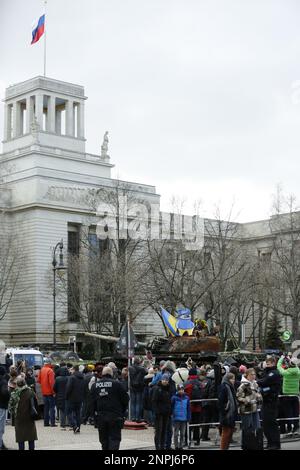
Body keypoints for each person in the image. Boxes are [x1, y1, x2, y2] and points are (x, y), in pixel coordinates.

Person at [91, 366, 129, 450]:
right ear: (111, 374)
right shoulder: (117, 384)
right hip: (115, 416)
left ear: (102, 374)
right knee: (114, 439)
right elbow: (126, 399)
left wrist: (93, 415)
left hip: (101, 416)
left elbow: (91, 402)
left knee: (104, 440)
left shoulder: (95, 386)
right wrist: (122, 411)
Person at [257, 356, 282, 450]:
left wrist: (259, 384)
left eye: (269, 364)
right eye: (266, 363)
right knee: (266, 424)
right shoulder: (267, 372)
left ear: (274, 363)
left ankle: (275, 443)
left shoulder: (274, 373)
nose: (267, 365)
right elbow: (263, 380)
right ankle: (270, 442)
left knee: (271, 423)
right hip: (266, 401)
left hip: (272, 401)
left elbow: (264, 381)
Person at [8, 375, 38, 450]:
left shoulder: (14, 394)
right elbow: (35, 402)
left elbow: (10, 408)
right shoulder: (30, 391)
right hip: (29, 418)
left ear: (17, 384)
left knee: (20, 438)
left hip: (19, 418)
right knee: (31, 437)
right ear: (25, 383)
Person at [236, 368, 262, 450]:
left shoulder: (255, 384)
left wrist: (259, 398)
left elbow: (258, 394)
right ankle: (246, 445)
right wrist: (248, 400)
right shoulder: (243, 385)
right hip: (246, 409)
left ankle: (255, 444)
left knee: (257, 427)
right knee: (247, 428)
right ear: (247, 375)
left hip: (255, 409)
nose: (253, 376)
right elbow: (238, 397)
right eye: (251, 374)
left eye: (254, 374)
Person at [277, 355, 300, 435]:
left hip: (286, 394)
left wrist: (281, 358)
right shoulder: (298, 372)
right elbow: (295, 366)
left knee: (288, 412)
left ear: (289, 364)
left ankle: (290, 427)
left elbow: (279, 367)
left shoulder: (285, 372)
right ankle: (296, 428)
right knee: (296, 411)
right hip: (295, 394)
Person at [152, 373, 173, 450]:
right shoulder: (157, 389)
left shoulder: (168, 389)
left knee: (164, 430)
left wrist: (170, 410)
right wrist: (156, 412)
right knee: (158, 431)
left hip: (166, 413)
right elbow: (154, 401)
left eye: (166, 380)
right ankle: (158, 447)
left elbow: (169, 402)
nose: (165, 381)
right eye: (163, 379)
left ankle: (162, 445)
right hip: (159, 414)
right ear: (161, 380)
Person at [218, 372, 238, 450]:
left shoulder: (230, 387)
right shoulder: (224, 387)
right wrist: (225, 409)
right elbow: (221, 401)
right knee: (225, 434)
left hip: (230, 413)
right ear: (228, 379)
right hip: (226, 414)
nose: (233, 381)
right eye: (232, 379)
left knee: (229, 433)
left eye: (234, 379)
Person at [65, 365, 85, 433]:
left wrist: (66, 396)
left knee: (69, 412)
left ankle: (74, 426)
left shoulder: (72, 378)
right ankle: (78, 427)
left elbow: (68, 388)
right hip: (80, 398)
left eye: (71, 369)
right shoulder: (82, 377)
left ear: (74, 369)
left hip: (71, 398)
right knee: (78, 413)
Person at [37, 358, 56, 427]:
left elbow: (38, 380)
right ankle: (52, 423)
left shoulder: (41, 370)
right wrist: (54, 392)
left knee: (46, 408)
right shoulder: (50, 371)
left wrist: (43, 383)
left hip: (44, 392)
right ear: (50, 363)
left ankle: (46, 423)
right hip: (50, 392)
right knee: (52, 408)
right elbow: (52, 383)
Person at [171, 384, 191, 450]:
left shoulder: (187, 398)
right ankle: (176, 446)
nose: (181, 391)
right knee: (176, 433)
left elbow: (188, 408)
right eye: (180, 390)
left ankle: (181, 446)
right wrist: (172, 415)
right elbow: (171, 407)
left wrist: (188, 417)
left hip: (184, 418)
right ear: (177, 390)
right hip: (176, 418)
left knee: (182, 433)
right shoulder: (174, 398)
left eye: (182, 389)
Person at [128, 356, 147, 422]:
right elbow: (146, 372)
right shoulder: (141, 368)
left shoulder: (130, 368)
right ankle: (137, 418)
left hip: (132, 386)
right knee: (138, 403)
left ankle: (133, 417)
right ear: (139, 361)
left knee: (133, 403)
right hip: (139, 387)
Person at [0, 366, 10, 450]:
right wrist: (9, 396)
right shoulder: (3, 381)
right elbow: (5, 393)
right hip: (1, 405)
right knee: (1, 427)